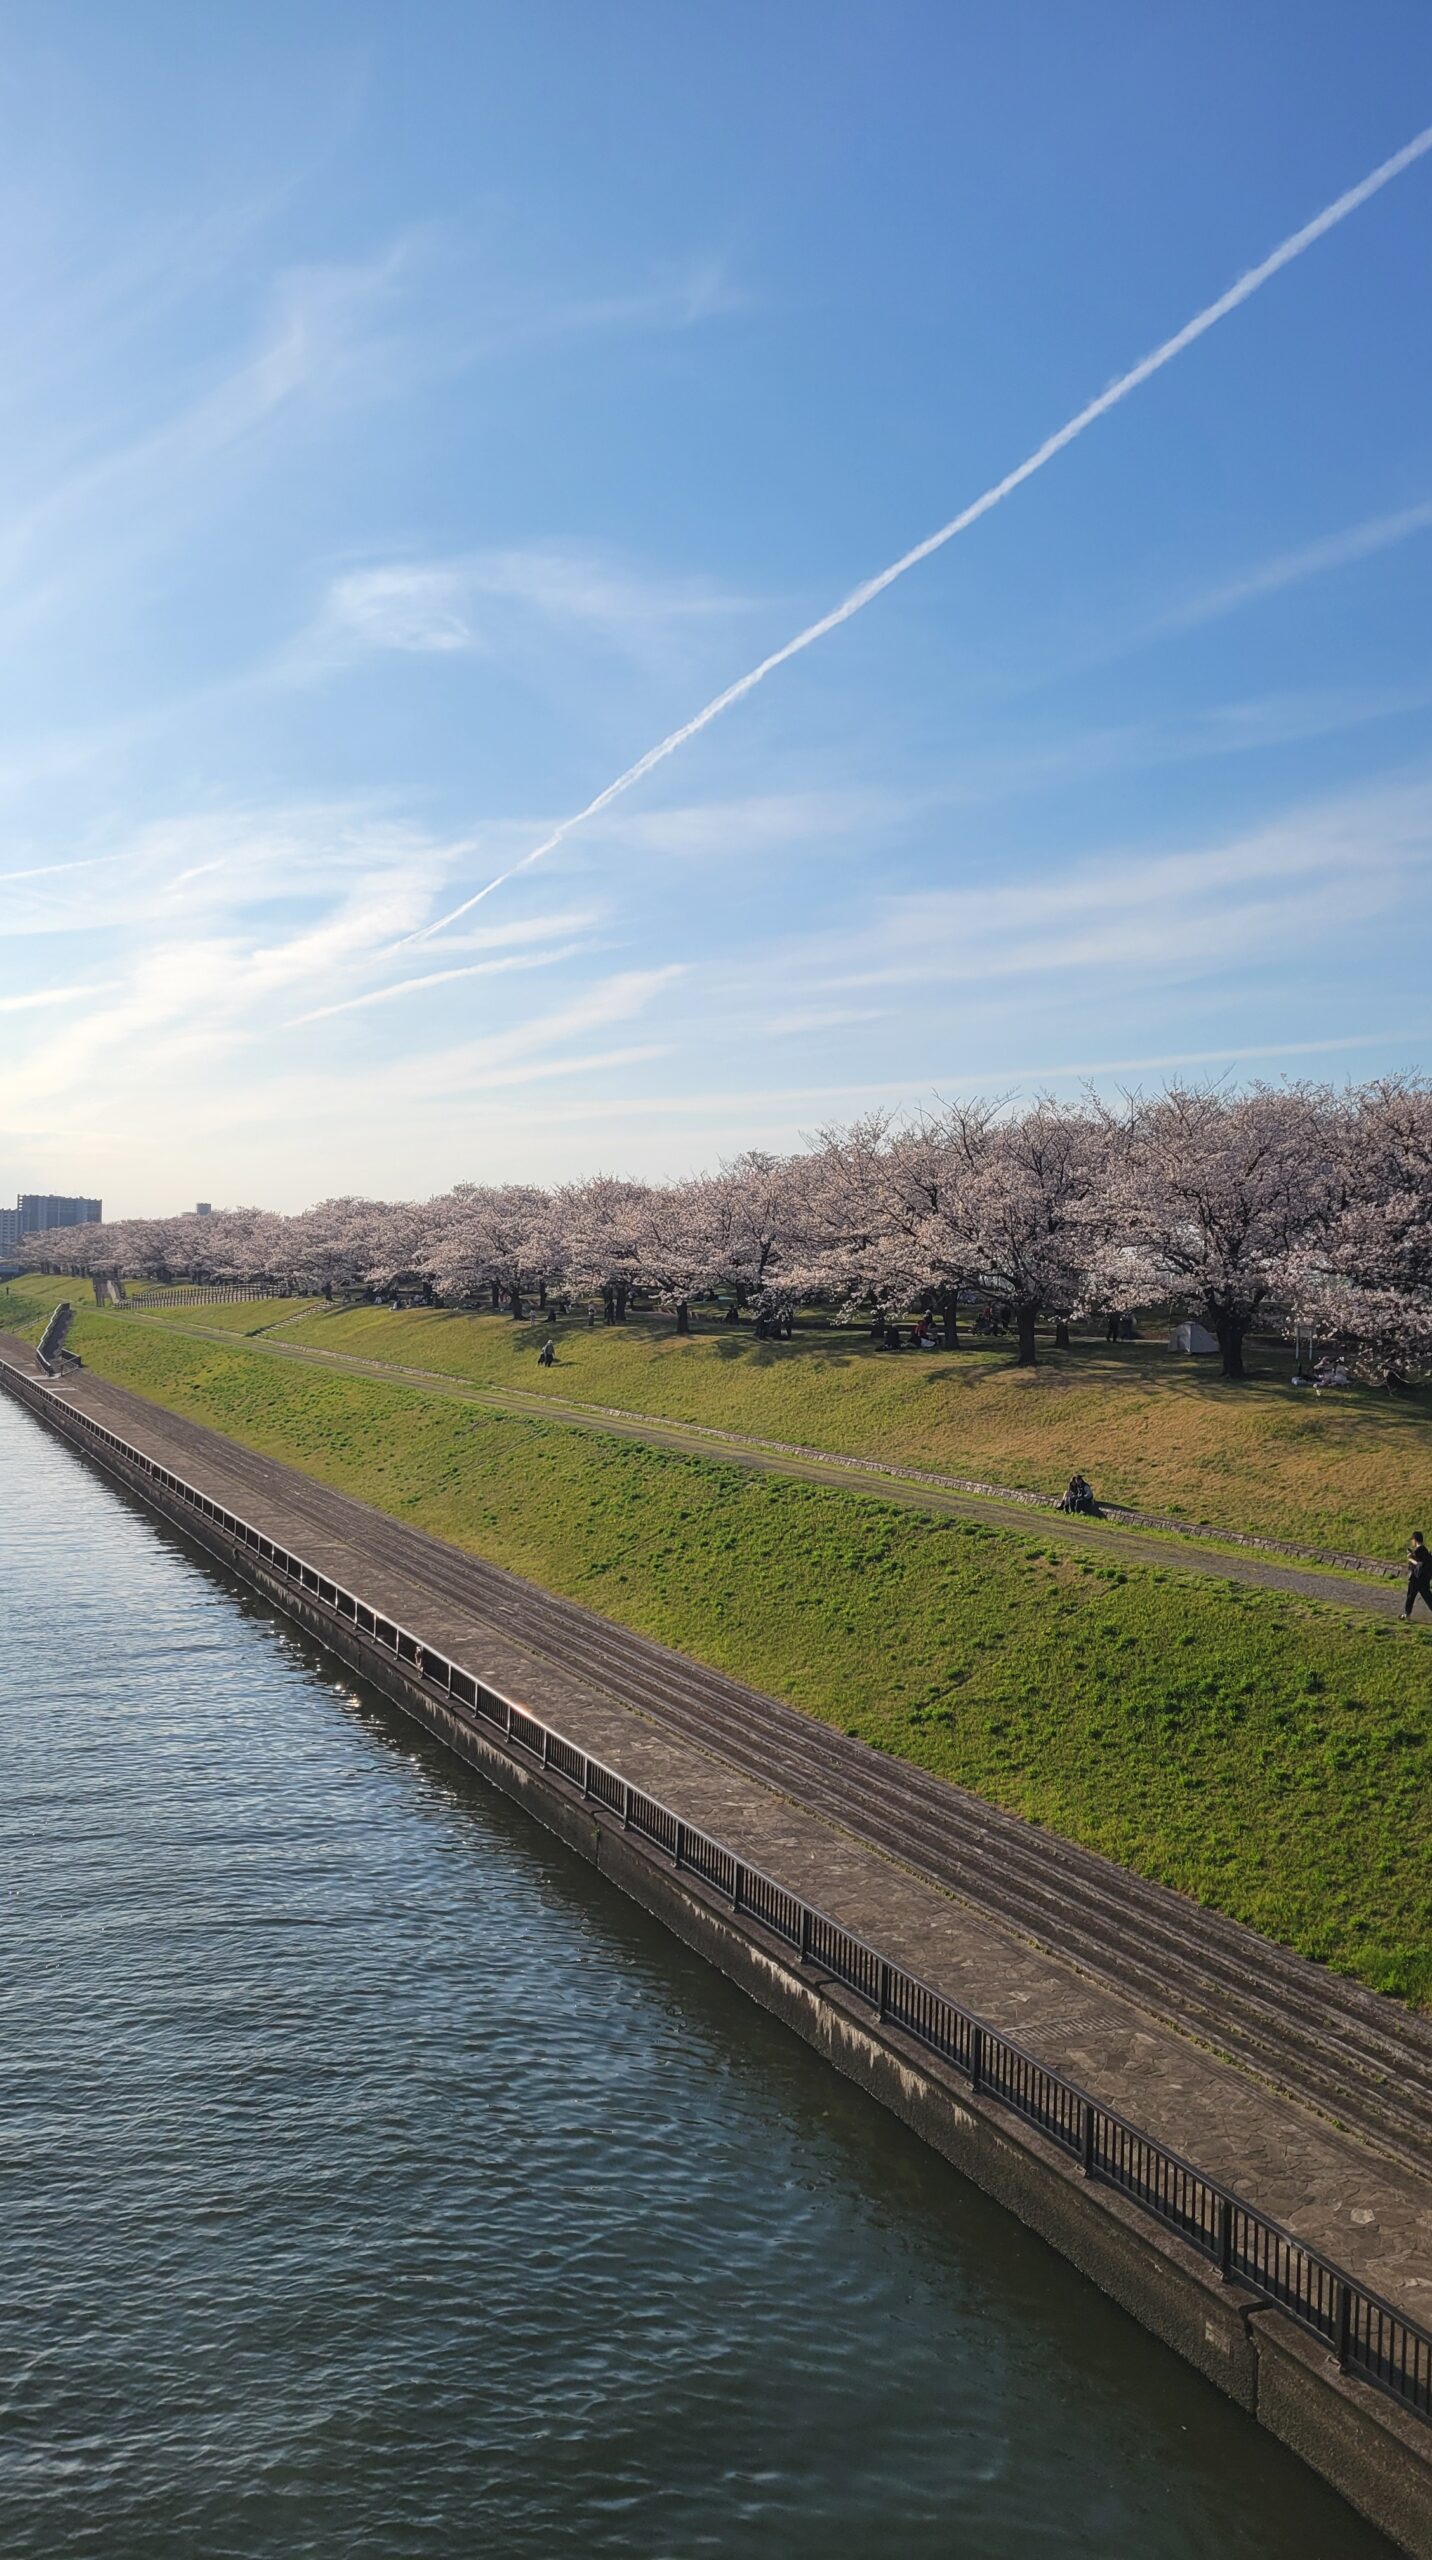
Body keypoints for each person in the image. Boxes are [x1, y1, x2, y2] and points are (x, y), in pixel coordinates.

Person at [1405, 1532, 1432, 1621]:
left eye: (1412, 1540)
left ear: (1415, 1540)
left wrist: (1410, 1558)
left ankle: (1407, 1614)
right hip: (1425, 1578)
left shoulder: (1416, 1552)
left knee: (1410, 1597)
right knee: (1428, 1598)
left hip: (1416, 1578)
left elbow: (1419, 1564)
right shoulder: (1425, 1550)